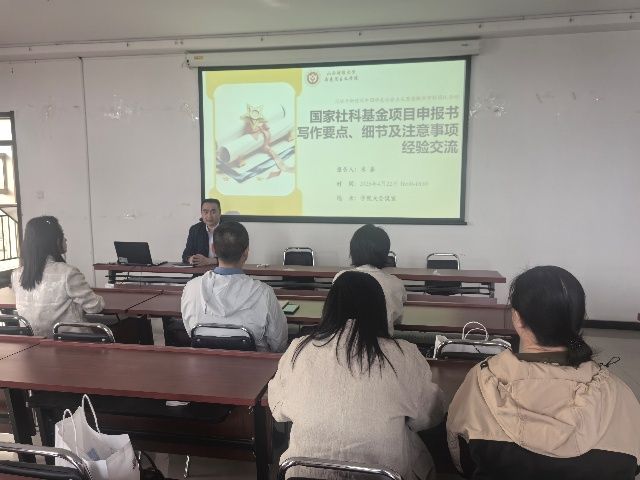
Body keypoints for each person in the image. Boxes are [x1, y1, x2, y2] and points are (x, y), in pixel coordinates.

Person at [447, 265, 640, 479]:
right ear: (580, 319)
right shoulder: (620, 395)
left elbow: (461, 459)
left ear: (517, 318)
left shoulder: (479, 384)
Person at [268, 271, 444, 480]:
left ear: (329, 307)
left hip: (303, 473)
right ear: (380, 309)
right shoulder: (404, 354)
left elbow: (278, 411)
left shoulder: (299, 349)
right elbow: (429, 415)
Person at [181, 221, 287, 352]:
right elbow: (279, 344)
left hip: (205, 363)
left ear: (213, 249)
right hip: (254, 364)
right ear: (246, 253)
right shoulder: (264, 293)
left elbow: (190, 331)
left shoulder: (191, 287)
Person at [11, 216, 105, 337]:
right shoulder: (68, 273)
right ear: (54, 241)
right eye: (62, 235)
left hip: (32, 342)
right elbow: (95, 307)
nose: (65, 239)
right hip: (70, 341)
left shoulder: (16, 274)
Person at [334, 224, 406, 333]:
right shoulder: (396, 283)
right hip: (380, 341)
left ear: (353, 251)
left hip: (342, 340)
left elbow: (333, 314)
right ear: (385, 253)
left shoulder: (341, 277)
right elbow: (397, 320)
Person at [182, 198, 221, 266]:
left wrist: (210, 261)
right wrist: (191, 259)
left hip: (222, 270)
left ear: (220, 212)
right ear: (201, 213)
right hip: (201, 270)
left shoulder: (229, 229)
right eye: (205, 212)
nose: (209, 216)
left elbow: (234, 257)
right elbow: (186, 255)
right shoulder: (195, 229)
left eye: (213, 212)